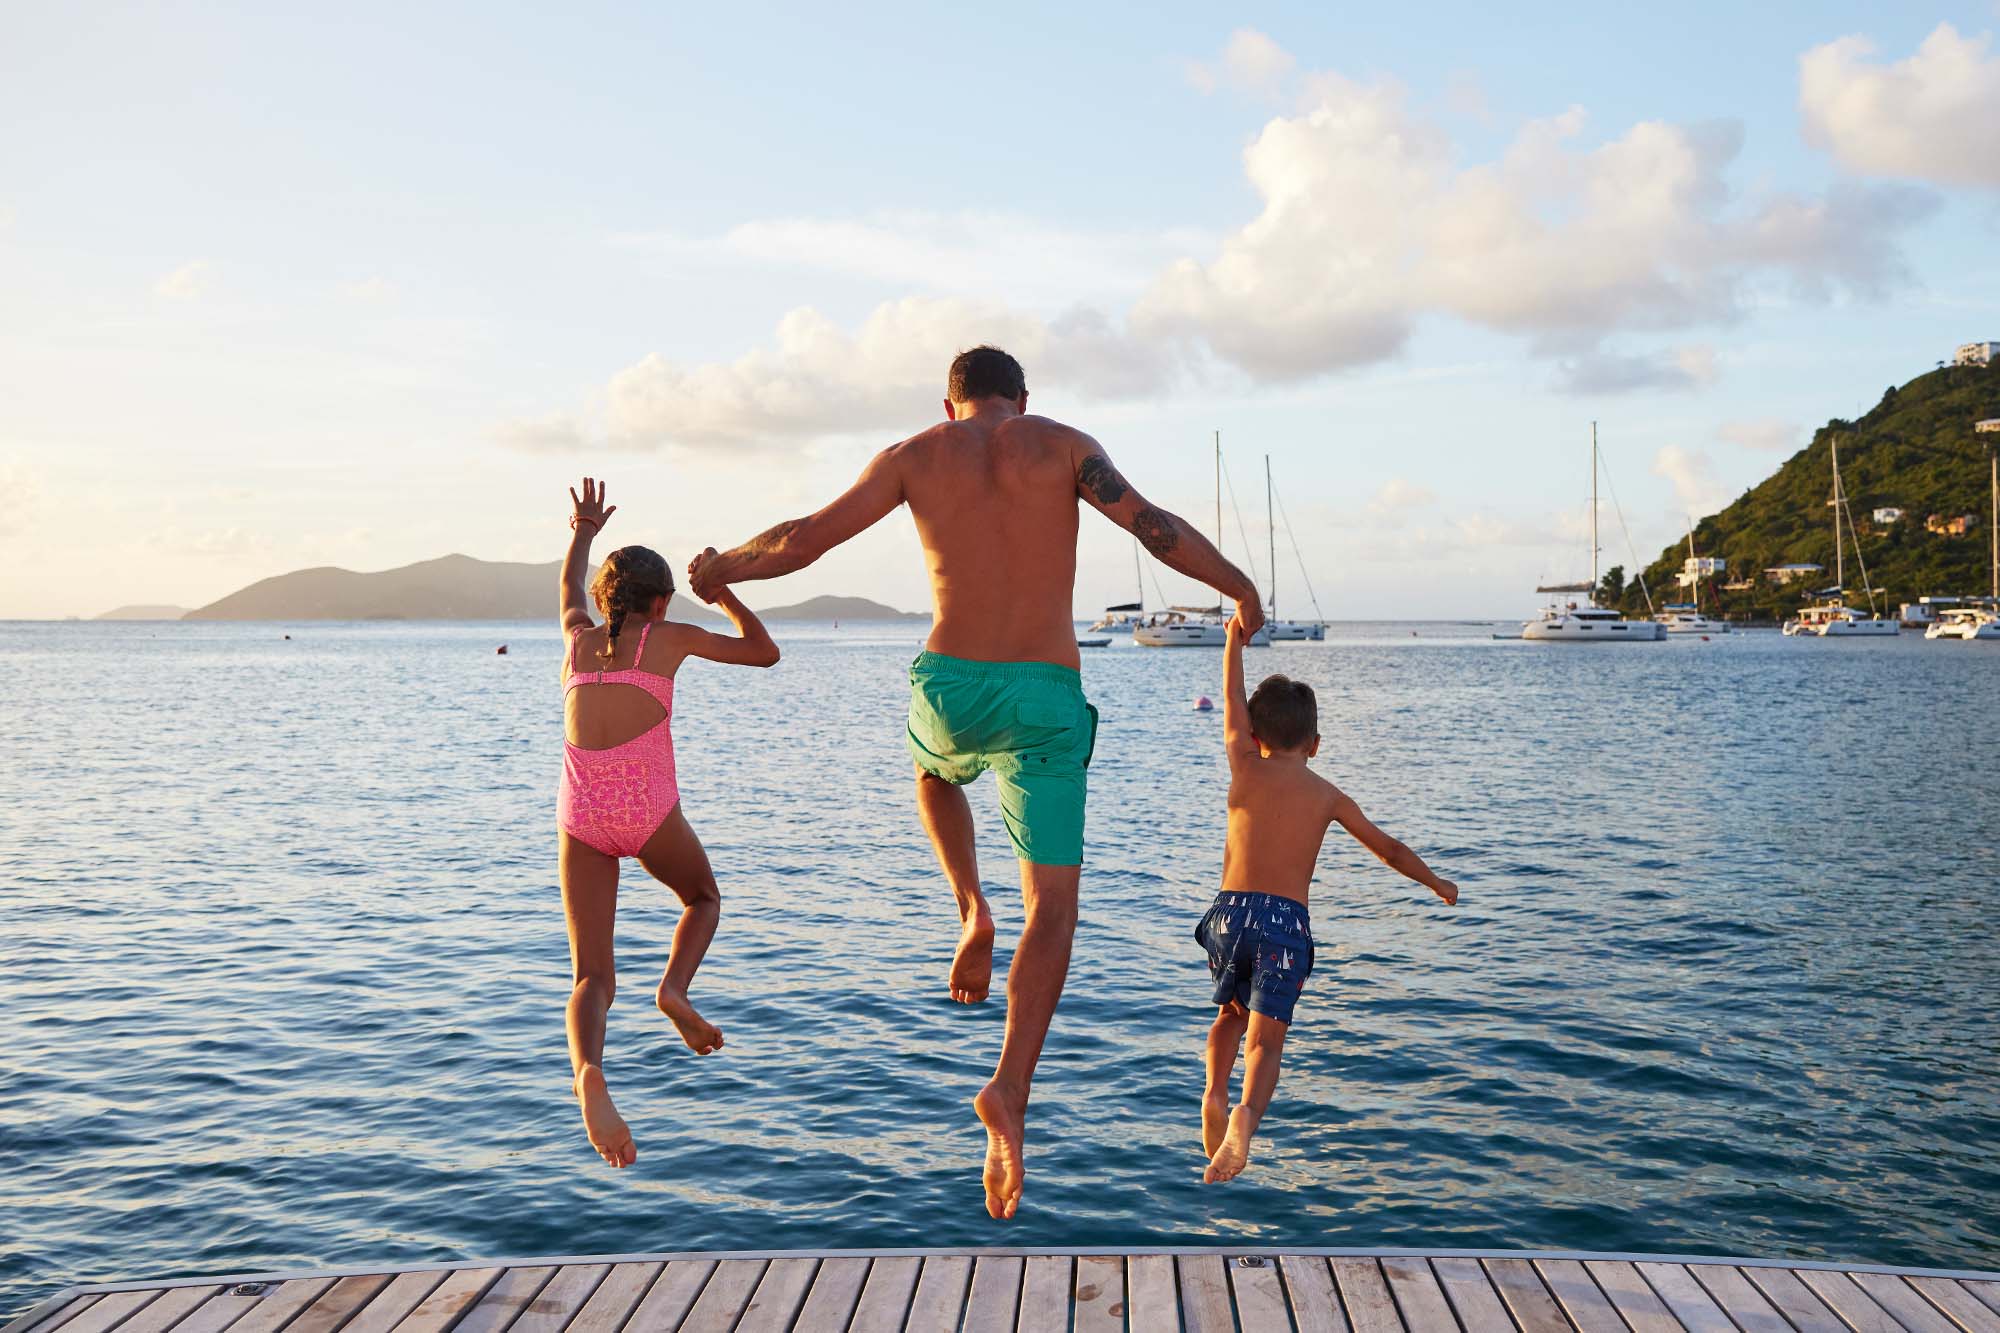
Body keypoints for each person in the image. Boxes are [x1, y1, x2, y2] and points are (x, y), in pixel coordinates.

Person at [686, 346, 1261, 1218]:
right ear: (1021, 399)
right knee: (1054, 910)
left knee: (931, 770)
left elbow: (804, 538)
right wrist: (1239, 588)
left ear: (948, 402)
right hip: (1045, 691)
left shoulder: (913, 454)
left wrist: (721, 566)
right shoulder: (1065, 446)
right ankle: (1009, 1088)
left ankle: (969, 906)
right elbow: (1155, 528)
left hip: (952, 685)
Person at [557, 478, 781, 1168]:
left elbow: (567, 586)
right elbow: (764, 650)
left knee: (592, 977)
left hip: (581, 816)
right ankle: (675, 988)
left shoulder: (577, 638)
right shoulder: (669, 637)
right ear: (660, 603)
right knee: (703, 899)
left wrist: (583, 531)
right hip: (646, 811)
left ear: (604, 601)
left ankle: (589, 1072)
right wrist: (723, 593)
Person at [1198, 614, 1459, 1184]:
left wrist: (1232, 641)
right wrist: (1436, 883)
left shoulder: (1243, 763)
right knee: (1266, 1041)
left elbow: (1231, 698)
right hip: (1284, 923)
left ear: (1256, 736)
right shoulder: (1328, 796)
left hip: (1229, 914)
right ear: (1314, 744)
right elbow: (1389, 850)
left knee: (1230, 1015)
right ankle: (1245, 1116)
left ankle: (1215, 1092)